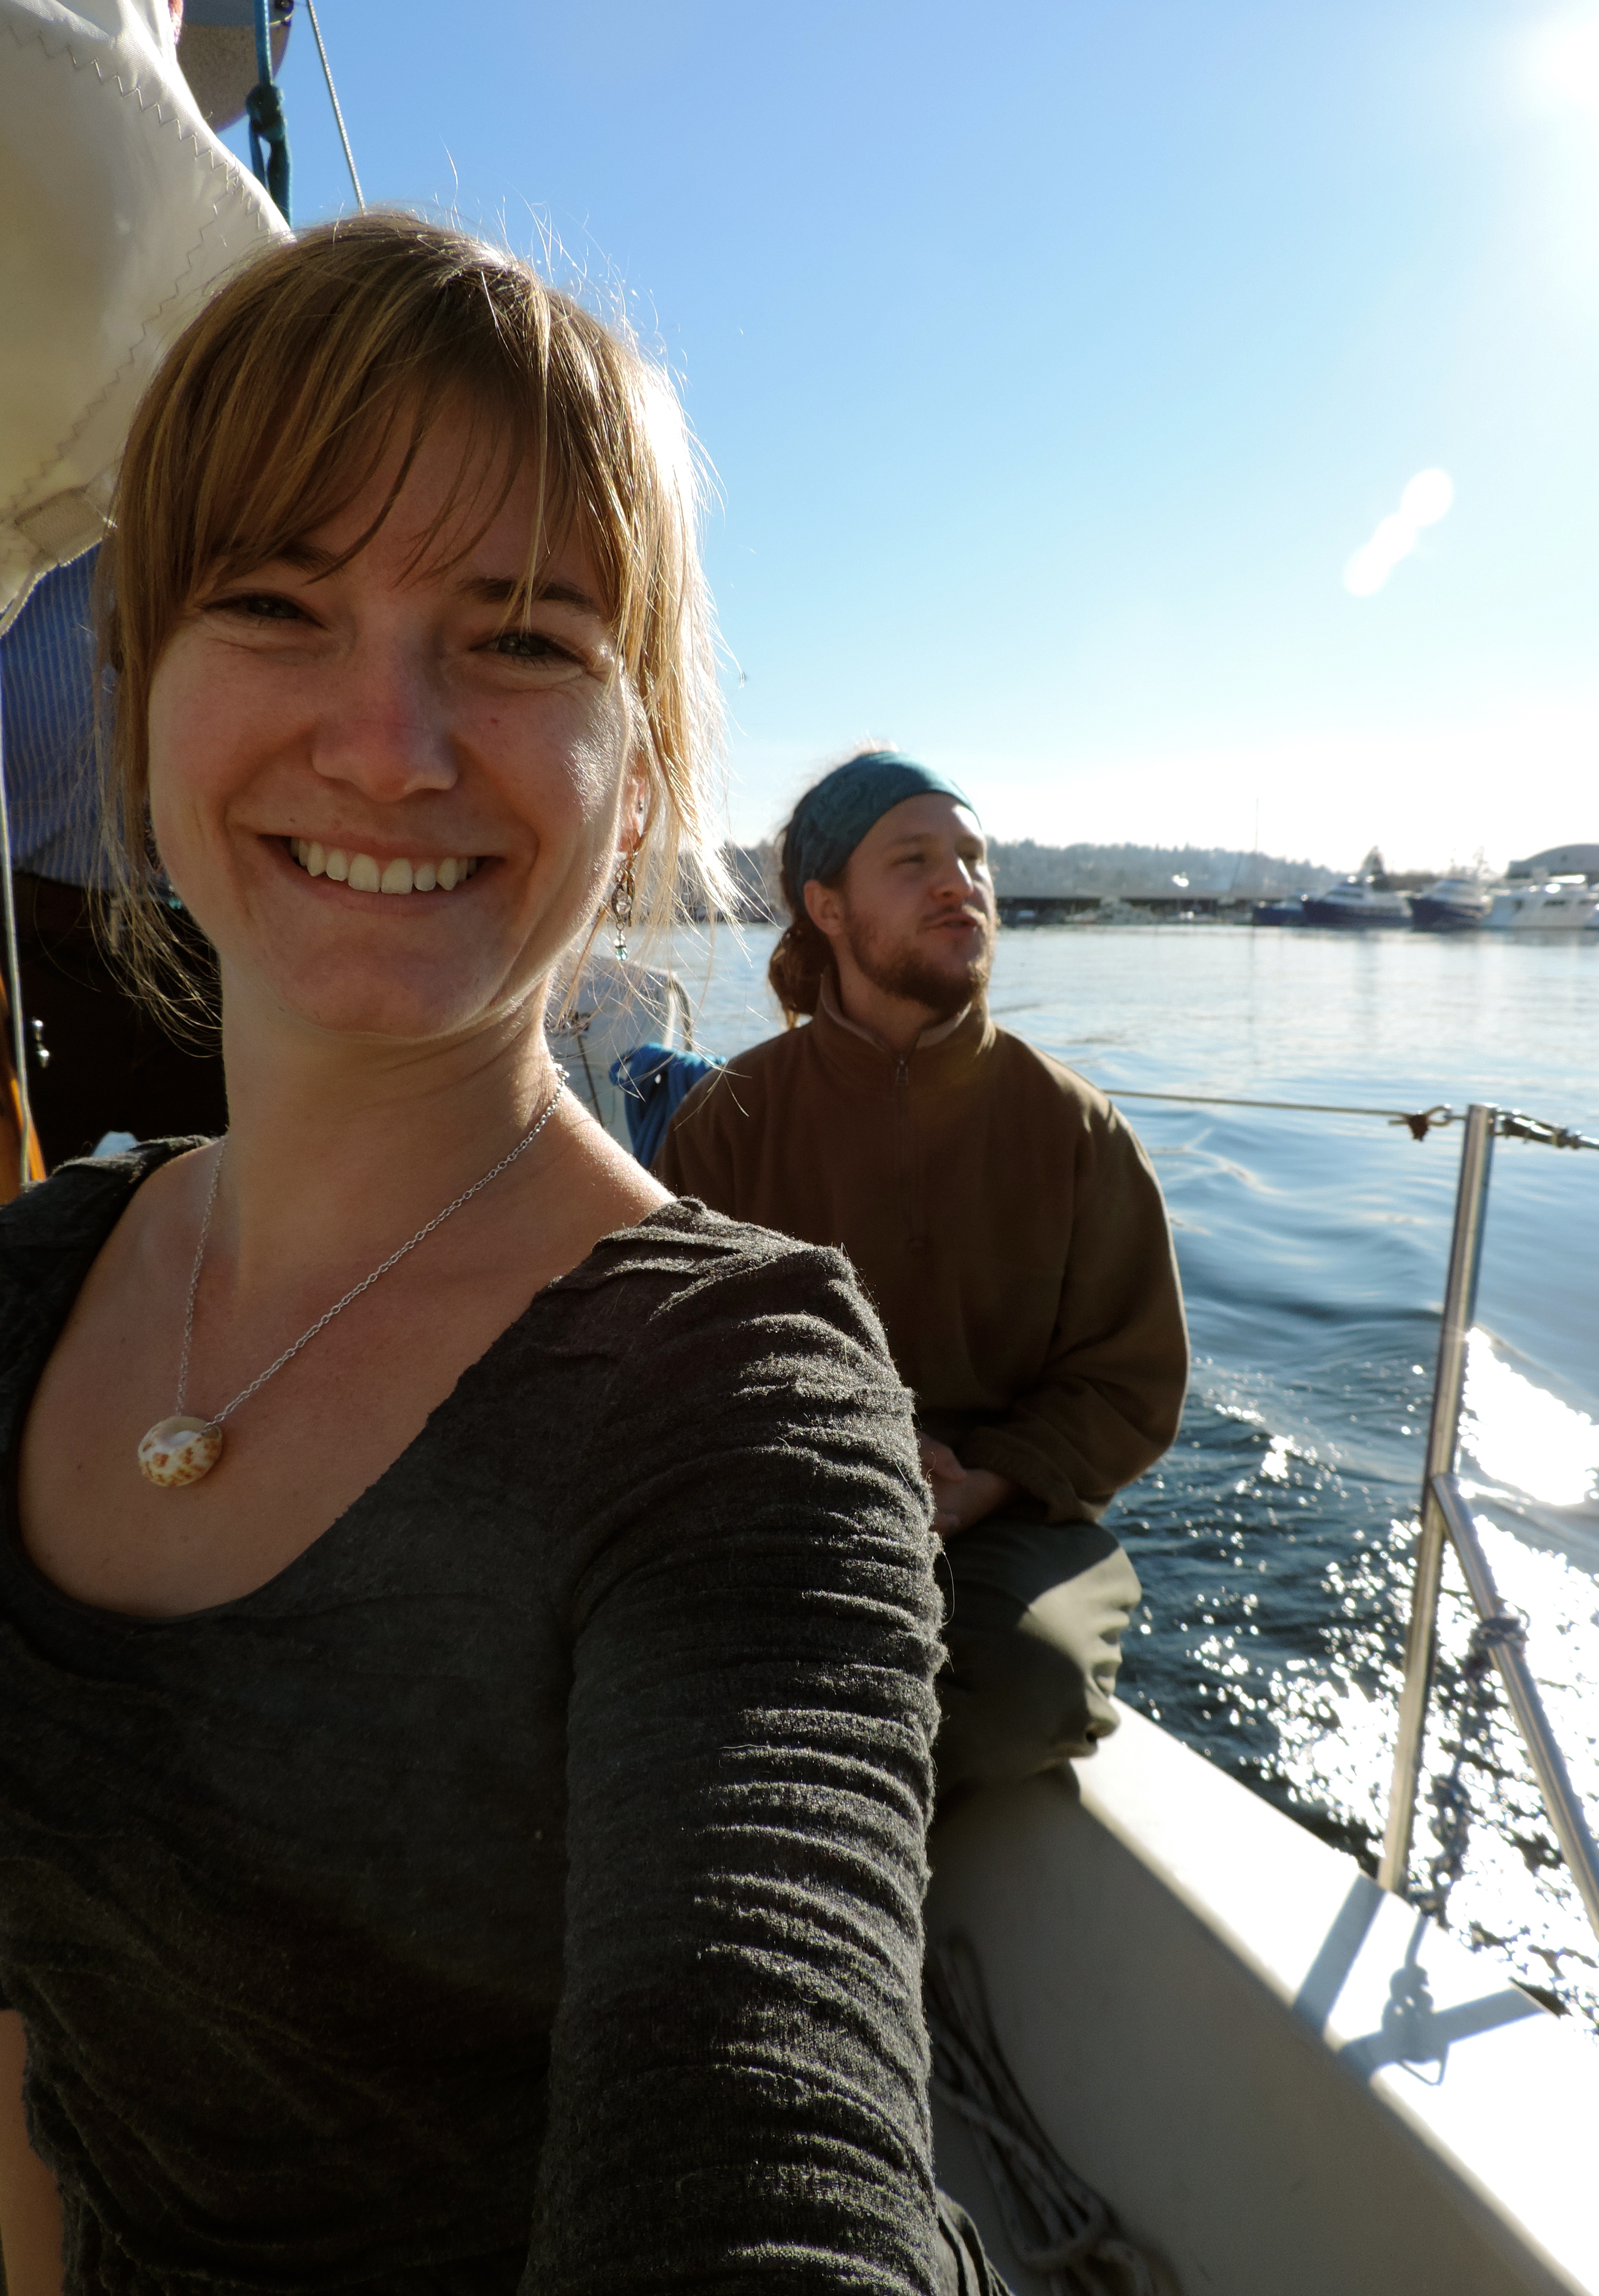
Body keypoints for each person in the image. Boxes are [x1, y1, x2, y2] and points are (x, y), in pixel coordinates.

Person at [0, 219, 971, 2296]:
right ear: (141, 698)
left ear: (642, 776)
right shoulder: (22, 1292)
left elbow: (761, 2157)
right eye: (276, 606)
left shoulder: (741, 1413)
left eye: (522, 636)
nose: (390, 743)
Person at [657, 754, 1190, 1798]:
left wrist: (982, 1482)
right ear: (827, 908)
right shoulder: (731, 1120)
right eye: (914, 862)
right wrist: (835, 1464)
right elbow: (675, 1359)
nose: (960, 883)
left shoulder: (1076, 1128)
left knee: (1026, 1688)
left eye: (973, 858)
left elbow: (1128, 1383)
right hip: (787, 1505)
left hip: (1008, 1523)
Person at [2, 551, 230, 1167]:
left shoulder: (230, 538)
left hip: (218, 959)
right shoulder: (24, 543)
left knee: (253, 1199)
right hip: (35, 954)